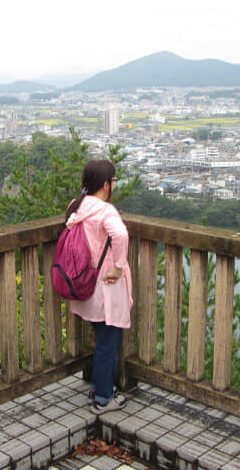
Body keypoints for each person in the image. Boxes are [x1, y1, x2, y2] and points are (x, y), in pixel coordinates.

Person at [65, 160, 133, 414]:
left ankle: (99, 386)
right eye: (113, 181)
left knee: (102, 339)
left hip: (85, 282)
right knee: (108, 343)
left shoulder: (77, 205)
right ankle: (103, 398)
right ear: (106, 184)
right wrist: (118, 266)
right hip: (107, 285)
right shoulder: (105, 211)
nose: (113, 185)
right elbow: (121, 235)